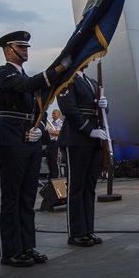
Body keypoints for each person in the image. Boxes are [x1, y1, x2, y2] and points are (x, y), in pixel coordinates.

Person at [0, 30, 68, 267]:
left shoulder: (24, 76)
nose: (25, 51)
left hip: (29, 139)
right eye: (20, 47)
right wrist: (57, 71)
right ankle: (10, 250)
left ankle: (27, 245)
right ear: (7, 50)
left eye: (26, 47)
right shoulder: (3, 74)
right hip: (9, 137)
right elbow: (29, 85)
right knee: (10, 197)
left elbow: (38, 107)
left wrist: (40, 127)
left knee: (27, 197)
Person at [57, 66, 108, 247]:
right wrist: (89, 129)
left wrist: (104, 105)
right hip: (77, 138)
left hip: (93, 139)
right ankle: (76, 232)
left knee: (89, 187)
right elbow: (69, 109)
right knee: (76, 188)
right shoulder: (67, 79)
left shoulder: (92, 82)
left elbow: (101, 112)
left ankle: (88, 230)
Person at [45, 109, 64, 178]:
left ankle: (55, 178)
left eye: (54, 113)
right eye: (52, 113)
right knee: (49, 161)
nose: (52, 115)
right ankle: (51, 178)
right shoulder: (50, 123)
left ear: (58, 115)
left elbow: (58, 132)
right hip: (49, 143)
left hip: (55, 143)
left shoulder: (60, 123)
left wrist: (49, 132)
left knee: (54, 162)